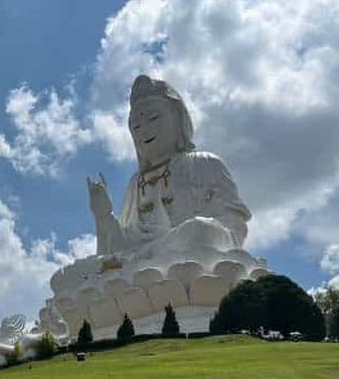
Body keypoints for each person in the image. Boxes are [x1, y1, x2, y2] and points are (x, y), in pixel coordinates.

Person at [87, 75, 251, 256]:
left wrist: (204, 231)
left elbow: (235, 226)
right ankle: (148, 257)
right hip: (142, 258)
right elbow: (122, 244)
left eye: (153, 118)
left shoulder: (204, 163)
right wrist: (104, 215)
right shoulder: (136, 183)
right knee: (96, 264)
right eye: (136, 127)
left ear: (178, 119)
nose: (144, 130)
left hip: (188, 247)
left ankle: (149, 257)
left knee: (199, 229)